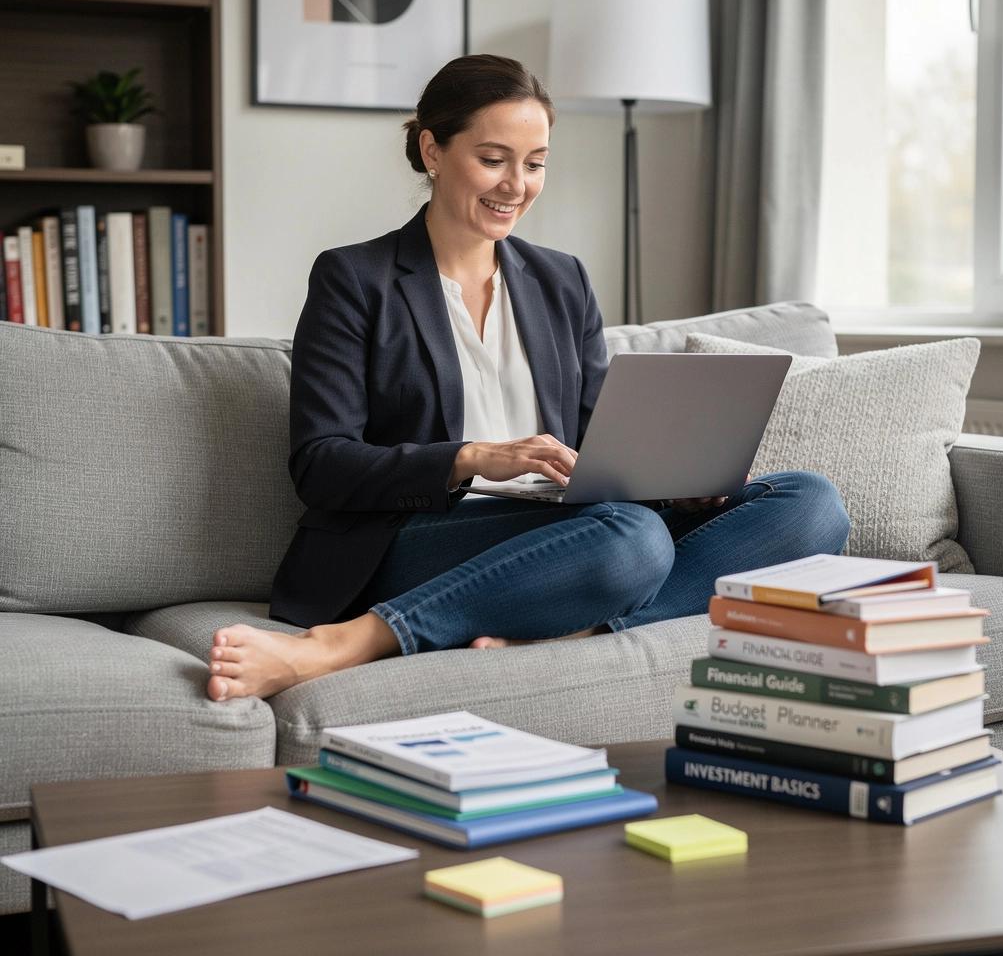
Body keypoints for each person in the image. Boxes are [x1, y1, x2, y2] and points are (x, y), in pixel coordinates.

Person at [206, 54, 850, 702]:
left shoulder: (561, 279)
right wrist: (477, 457)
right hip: (420, 535)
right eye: (493, 158)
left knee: (810, 504)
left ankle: (583, 624)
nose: (516, 184)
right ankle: (355, 639)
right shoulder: (355, 279)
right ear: (433, 150)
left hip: (569, 529)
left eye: (535, 163)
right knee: (631, 540)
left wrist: (679, 483)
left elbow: (603, 443)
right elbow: (322, 465)